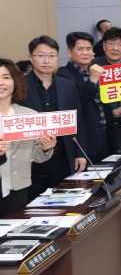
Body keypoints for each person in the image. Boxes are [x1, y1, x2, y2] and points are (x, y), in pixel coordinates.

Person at [20, 36, 87, 201]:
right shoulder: (19, 86)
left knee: (64, 202)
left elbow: (77, 122)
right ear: (31, 57)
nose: (46, 60)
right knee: (31, 204)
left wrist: (80, 153)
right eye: (41, 55)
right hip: (32, 160)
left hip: (62, 156)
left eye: (52, 56)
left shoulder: (68, 85)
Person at [0, 59, 56, 215]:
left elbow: (36, 157)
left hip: (18, 187)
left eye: (6, 77)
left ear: (15, 81)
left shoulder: (29, 115)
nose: (1, 82)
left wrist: (45, 148)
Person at [56, 32, 113, 162]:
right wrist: (92, 81)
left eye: (88, 49)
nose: (85, 53)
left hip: (104, 136)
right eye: (80, 49)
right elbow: (75, 106)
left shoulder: (96, 71)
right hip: (85, 140)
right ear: (69, 52)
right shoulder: (63, 76)